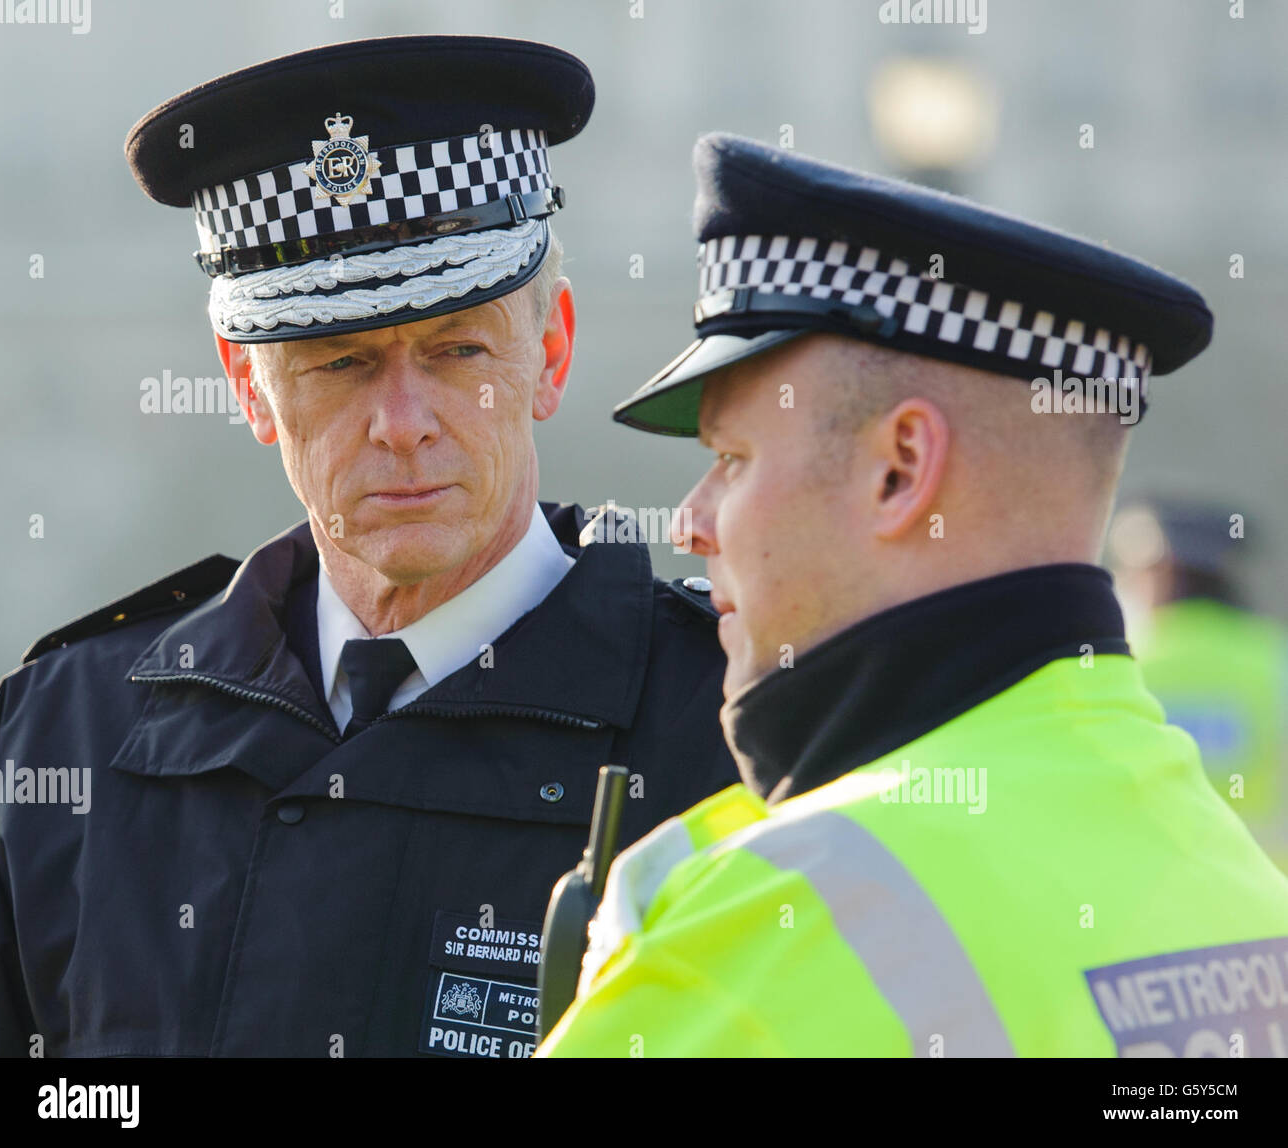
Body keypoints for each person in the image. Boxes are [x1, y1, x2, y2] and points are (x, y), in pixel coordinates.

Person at [0, 37, 737, 1059]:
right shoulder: (67, 733)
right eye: (338, 363)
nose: (401, 422)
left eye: (457, 350)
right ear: (250, 389)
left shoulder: (736, 741)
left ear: (550, 352)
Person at [538, 133, 1288, 1057]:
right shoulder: (1238, 894)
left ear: (900, 471)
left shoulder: (778, 917)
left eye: (732, 460)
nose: (691, 523)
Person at [1108, 498, 1288, 874]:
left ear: (1161, 571)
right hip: (1270, 907)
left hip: (1145, 913)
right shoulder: (1276, 662)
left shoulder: (1116, 669)